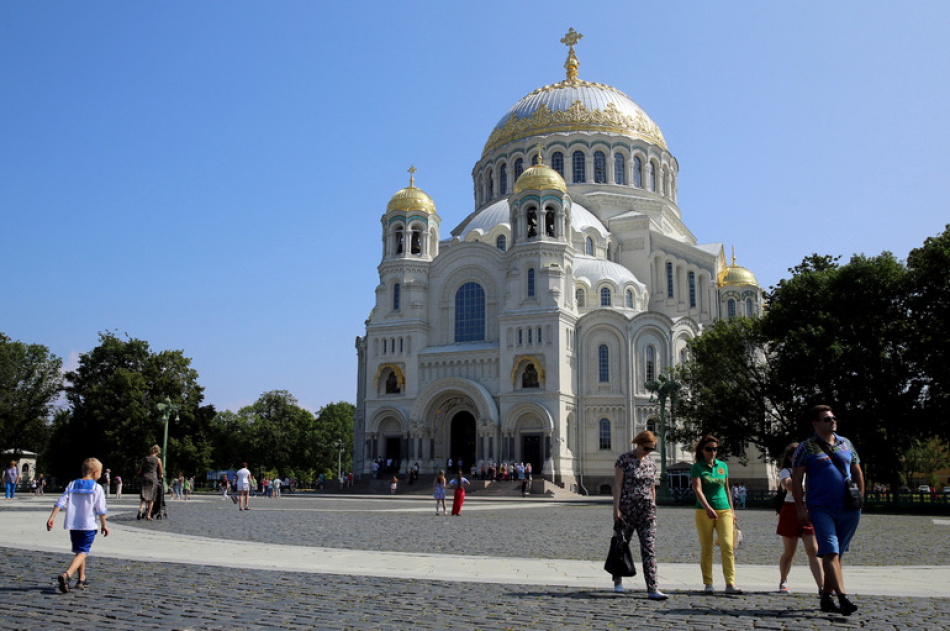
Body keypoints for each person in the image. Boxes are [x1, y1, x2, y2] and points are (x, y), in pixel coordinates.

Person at [792, 405, 863, 616]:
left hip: (849, 508)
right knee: (830, 551)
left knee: (837, 554)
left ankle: (825, 596)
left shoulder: (845, 443)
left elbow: (857, 472)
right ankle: (842, 597)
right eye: (826, 419)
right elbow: (796, 480)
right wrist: (800, 507)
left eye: (833, 418)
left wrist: (860, 499)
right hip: (820, 507)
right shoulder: (805, 447)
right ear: (816, 424)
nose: (832, 421)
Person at [611, 430, 669, 599]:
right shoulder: (624, 460)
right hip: (627, 510)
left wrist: (654, 504)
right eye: (646, 448)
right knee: (621, 545)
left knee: (649, 548)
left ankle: (653, 588)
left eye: (651, 449)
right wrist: (616, 509)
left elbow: (652, 486)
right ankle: (618, 581)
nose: (648, 452)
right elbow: (618, 485)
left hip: (647, 511)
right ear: (638, 443)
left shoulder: (651, 463)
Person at [46, 457, 109, 593]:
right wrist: (104, 524)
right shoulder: (96, 487)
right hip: (88, 525)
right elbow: (101, 509)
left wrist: (52, 517)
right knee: (83, 552)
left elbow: (61, 501)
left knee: (79, 551)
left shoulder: (72, 484)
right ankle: (67, 574)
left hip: (73, 525)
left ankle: (81, 579)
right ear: (96, 472)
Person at [690, 435, 742, 594]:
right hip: (704, 511)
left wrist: (732, 511)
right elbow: (697, 489)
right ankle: (708, 583)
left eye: (715, 449)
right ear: (702, 450)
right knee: (707, 548)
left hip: (724, 509)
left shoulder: (722, 466)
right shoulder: (697, 467)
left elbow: (727, 489)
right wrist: (707, 507)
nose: (712, 452)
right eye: (709, 449)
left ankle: (730, 584)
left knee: (727, 545)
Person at [776, 442, 824, 595]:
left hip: (806, 508)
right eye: (798, 455)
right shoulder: (786, 471)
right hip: (790, 509)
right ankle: (783, 580)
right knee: (790, 551)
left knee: (813, 550)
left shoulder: (810, 471)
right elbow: (789, 485)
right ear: (790, 457)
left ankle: (821, 586)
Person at [136, 445, 163, 521]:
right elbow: (161, 471)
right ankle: (148, 515)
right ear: (157, 452)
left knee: (144, 495)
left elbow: (140, 469)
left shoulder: (145, 459)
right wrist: (161, 476)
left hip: (145, 477)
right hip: (153, 478)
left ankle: (141, 509)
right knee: (152, 498)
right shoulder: (158, 460)